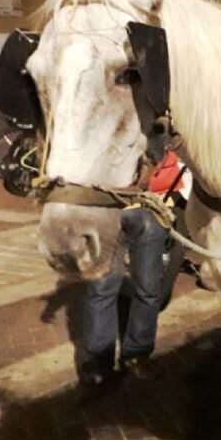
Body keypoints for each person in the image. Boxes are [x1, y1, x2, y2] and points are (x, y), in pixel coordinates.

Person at [73, 151, 186, 387]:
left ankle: (136, 353)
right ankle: (97, 362)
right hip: (108, 210)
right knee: (102, 287)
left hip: (154, 209)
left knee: (148, 289)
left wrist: (175, 196)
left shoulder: (162, 121)